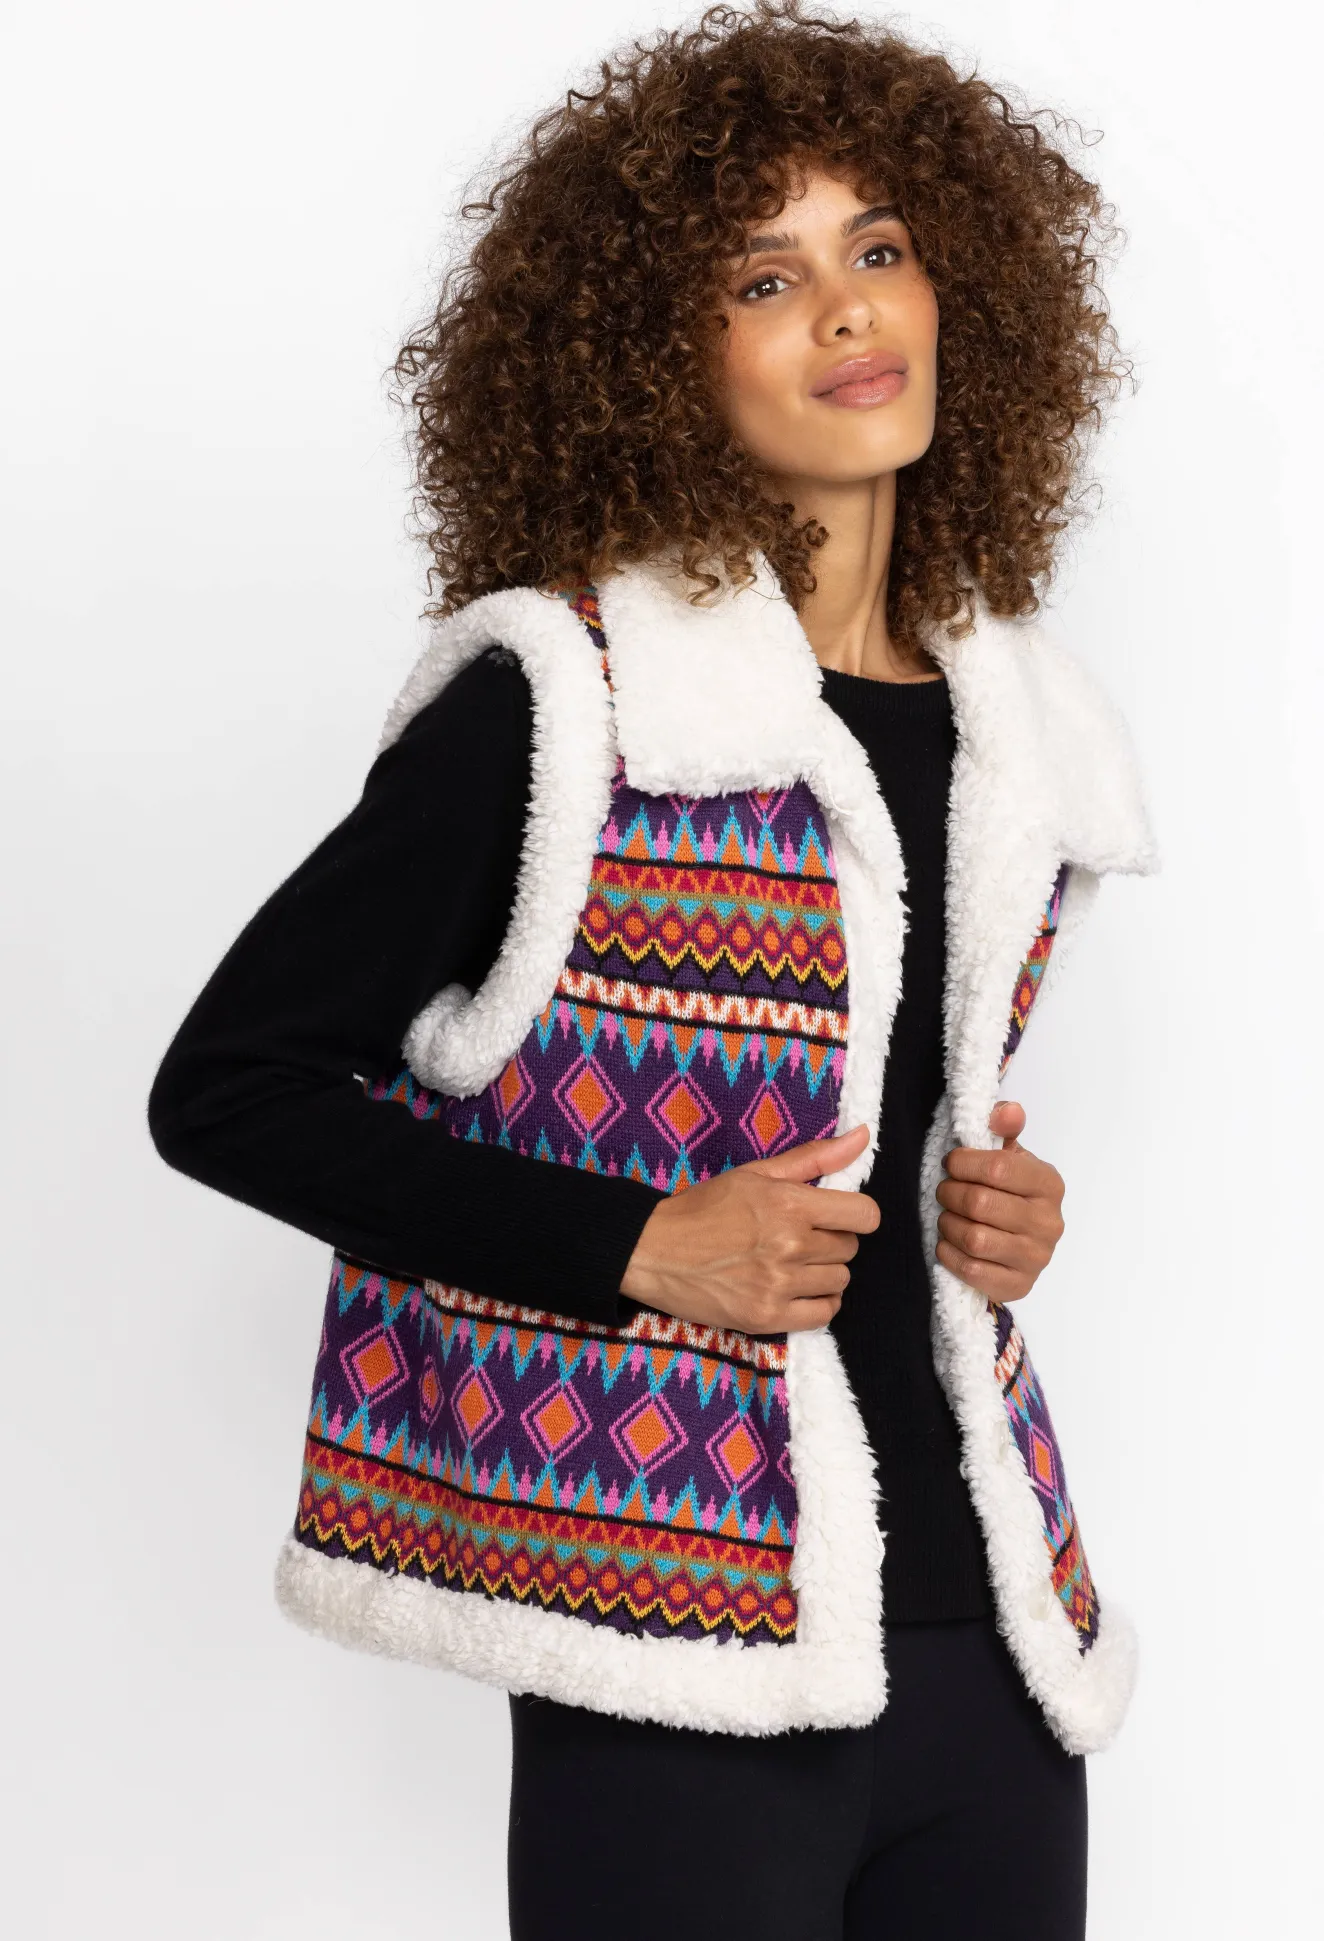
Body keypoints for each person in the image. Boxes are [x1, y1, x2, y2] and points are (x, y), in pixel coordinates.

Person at [148, 6, 1156, 1936]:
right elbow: (230, 1091)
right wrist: (636, 1244)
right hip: (672, 1639)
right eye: (763, 280)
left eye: (879, 248)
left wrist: (998, 1213)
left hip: (994, 1635)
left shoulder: (1024, 729)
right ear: (648, 359)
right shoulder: (568, 705)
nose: (847, 309)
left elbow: (888, 1102)